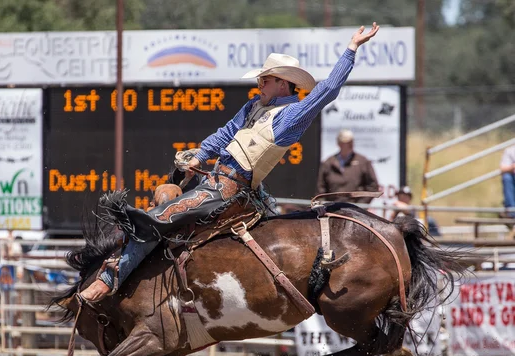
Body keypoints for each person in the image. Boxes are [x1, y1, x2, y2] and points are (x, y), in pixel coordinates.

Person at [81, 22, 381, 302]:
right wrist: (197, 157)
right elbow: (225, 134)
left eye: (265, 79)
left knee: (159, 216)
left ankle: (109, 278)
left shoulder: (290, 116)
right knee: (165, 196)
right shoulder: (254, 106)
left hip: (227, 189)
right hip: (217, 181)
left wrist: (352, 48)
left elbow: (326, 90)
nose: (260, 83)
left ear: (283, 84)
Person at [315, 129, 379, 203]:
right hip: (332, 209)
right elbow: (320, 188)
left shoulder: (363, 161)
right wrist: (325, 206)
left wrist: (361, 205)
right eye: (347, 142)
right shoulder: (328, 163)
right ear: (339, 143)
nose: (350, 144)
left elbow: (373, 186)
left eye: (351, 142)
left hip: (356, 210)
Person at [500, 144, 515, 218]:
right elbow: (503, 169)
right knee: (507, 178)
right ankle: (512, 213)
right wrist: (512, 167)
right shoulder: (510, 150)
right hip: (512, 176)